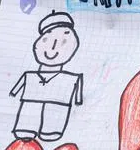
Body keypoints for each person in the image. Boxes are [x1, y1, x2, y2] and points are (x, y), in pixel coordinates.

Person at [10, 10, 84, 142]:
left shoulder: (71, 78)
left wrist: (78, 101)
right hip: (31, 98)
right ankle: (26, 127)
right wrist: (13, 93)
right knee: (30, 109)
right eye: (46, 39)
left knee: (55, 113)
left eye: (63, 42)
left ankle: (51, 130)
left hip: (59, 101)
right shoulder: (30, 76)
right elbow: (16, 89)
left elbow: (78, 91)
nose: (53, 47)